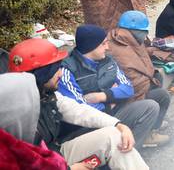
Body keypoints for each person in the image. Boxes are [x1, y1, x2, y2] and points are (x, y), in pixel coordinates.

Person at [7, 38, 148, 170]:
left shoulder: (47, 95)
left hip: (56, 152)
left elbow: (79, 111)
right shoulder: (13, 115)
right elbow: (21, 162)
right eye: (56, 69)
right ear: (42, 74)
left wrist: (118, 125)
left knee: (114, 136)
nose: (61, 74)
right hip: (46, 165)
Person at [59, 24, 169, 148]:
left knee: (160, 95)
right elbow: (78, 109)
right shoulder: (67, 70)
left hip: (114, 110)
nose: (107, 47)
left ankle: (144, 136)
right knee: (150, 107)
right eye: (103, 43)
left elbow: (128, 88)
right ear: (91, 46)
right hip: (91, 125)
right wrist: (110, 102)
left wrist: (104, 96)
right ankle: (129, 154)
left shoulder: (108, 61)